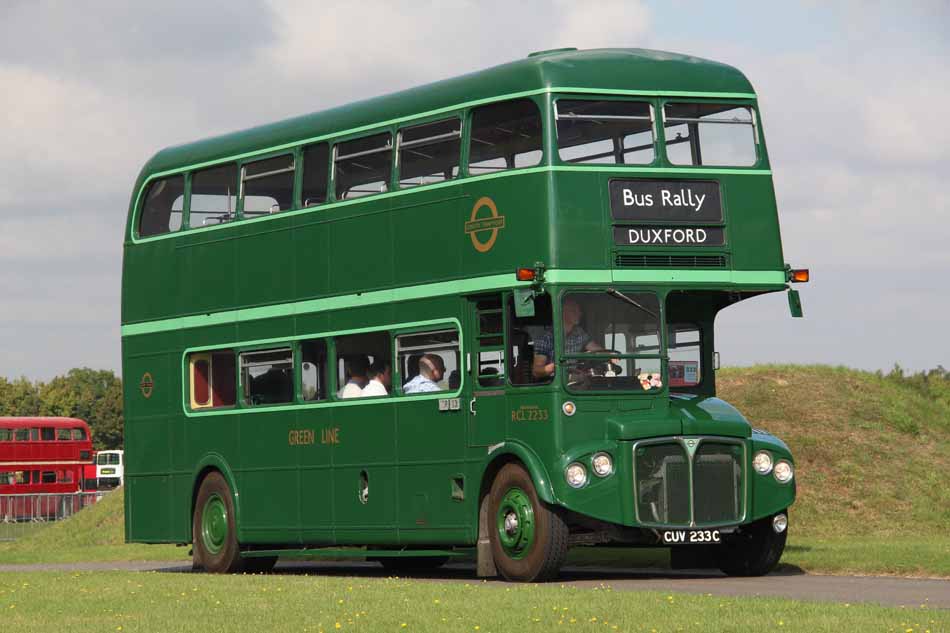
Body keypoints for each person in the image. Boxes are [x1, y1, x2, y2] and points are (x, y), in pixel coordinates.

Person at [532, 298, 604, 379]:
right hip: (554, 381)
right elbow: (537, 371)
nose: (579, 313)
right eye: (573, 310)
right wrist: (558, 366)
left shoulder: (579, 332)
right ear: (562, 312)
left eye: (579, 311)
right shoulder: (546, 338)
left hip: (574, 382)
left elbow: (595, 349)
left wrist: (609, 355)